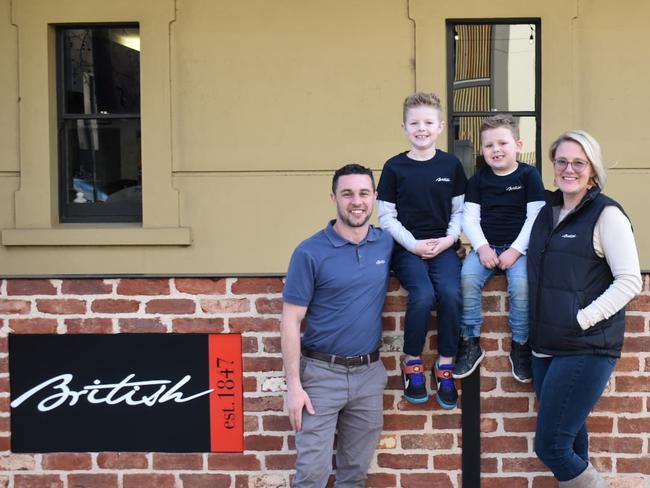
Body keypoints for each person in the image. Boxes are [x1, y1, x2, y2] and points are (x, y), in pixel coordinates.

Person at [527, 131, 642, 487]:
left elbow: (630, 281)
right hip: (545, 348)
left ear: (592, 169)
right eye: (561, 161)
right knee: (571, 440)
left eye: (578, 162)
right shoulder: (548, 214)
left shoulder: (606, 214)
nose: (568, 169)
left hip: (585, 347)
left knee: (551, 446)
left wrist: (581, 318)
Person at [281, 163, 393, 487]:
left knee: (354, 475)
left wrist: (457, 248)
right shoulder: (309, 252)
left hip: (369, 375)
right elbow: (291, 320)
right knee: (312, 475)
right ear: (333, 198)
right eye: (347, 194)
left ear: (374, 198)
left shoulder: (385, 244)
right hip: (320, 375)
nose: (356, 201)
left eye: (363, 193)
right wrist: (294, 386)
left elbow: (420, 256)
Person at [377, 92, 466, 408]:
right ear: (404, 127)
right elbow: (386, 217)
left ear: (441, 126)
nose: (422, 129)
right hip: (407, 248)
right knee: (424, 295)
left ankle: (445, 365)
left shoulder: (451, 165)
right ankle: (411, 361)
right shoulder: (394, 167)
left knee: (452, 294)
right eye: (414, 123)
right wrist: (413, 244)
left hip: (443, 245)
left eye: (428, 122)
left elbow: (459, 212)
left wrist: (448, 240)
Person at [455, 115, 545, 382]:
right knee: (468, 278)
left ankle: (520, 345)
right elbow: (468, 219)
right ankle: (470, 341)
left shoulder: (529, 176)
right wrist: (482, 248)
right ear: (481, 150)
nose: (496, 149)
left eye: (502, 143)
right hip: (486, 247)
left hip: (520, 250)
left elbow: (535, 218)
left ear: (518, 144)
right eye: (489, 145)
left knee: (521, 286)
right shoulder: (478, 180)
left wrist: (516, 251)